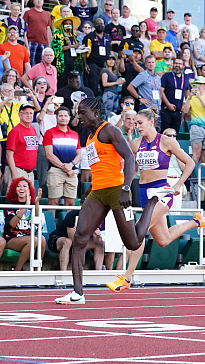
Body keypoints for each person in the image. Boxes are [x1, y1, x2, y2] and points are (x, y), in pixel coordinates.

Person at [55, 98, 158, 304]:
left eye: (82, 113)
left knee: (133, 242)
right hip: (98, 192)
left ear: (95, 112)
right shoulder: (90, 137)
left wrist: (126, 188)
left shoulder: (110, 130)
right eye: (78, 113)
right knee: (80, 238)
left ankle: (153, 203)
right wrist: (91, 188)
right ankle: (78, 293)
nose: (79, 118)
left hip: (116, 190)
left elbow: (129, 158)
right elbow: (100, 165)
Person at [110, 108, 205, 292]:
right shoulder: (135, 144)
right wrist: (124, 186)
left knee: (138, 232)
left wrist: (178, 185)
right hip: (143, 192)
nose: (136, 125)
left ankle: (126, 277)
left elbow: (190, 163)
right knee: (163, 240)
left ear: (151, 121)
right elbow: (132, 170)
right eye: (134, 122)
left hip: (161, 193)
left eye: (140, 122)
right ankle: (196, 222)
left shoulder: (166, 141)